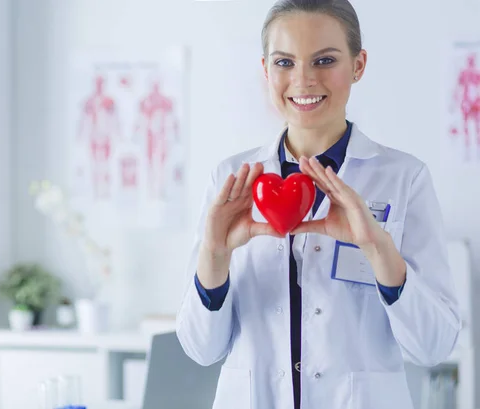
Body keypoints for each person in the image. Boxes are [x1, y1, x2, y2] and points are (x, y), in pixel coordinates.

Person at [175, 1, 462, 409]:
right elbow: (200, 349)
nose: (303, 80)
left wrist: (379, 250)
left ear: (359, 65)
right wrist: (215, 255)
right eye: (284, 62)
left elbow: (433, 347)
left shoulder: (404, 178)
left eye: (324, 60)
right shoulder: (232, 180)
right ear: (265, 70)